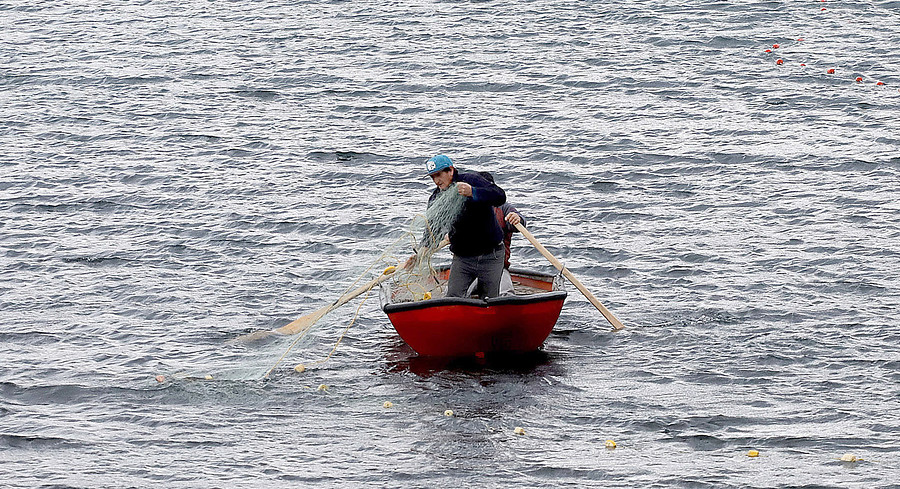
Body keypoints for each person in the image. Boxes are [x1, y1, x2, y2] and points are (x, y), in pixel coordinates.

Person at [418, 154, 508, 298]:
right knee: (453, 297)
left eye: (439, 175)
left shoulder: (471, 180)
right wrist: (423, 250)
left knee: (489, 299)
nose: (436, 181)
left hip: (491, 255)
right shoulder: (436, 198)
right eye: (432, 177)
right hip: (463, 258)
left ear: (451, 171)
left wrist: (473, 192)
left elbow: (500, 196)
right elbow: (433, 228)